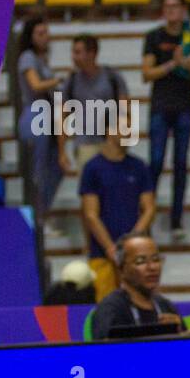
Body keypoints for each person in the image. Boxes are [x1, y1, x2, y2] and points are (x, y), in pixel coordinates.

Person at [141, 0, 190, 242]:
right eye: (167, 6)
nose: (171, 11)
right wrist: (172, 64)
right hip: (160, 106)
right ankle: (147, 216)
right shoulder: (153, 37)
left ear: (183, 10)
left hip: (185, 107)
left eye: (176, 6)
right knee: (155, 162)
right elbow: (146, 74)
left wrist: (187, 64)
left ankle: (176, 219)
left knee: (181, 164)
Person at [79, 127, 156, 302]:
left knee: (140, 304)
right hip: (102, 253)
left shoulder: (139, 166)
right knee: (105, 307)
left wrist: (131, 243)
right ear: (108, 130)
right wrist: (111, 249)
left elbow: (149, 208)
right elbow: (90, 214)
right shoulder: (93, 168)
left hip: (136, 257)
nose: (128, 132)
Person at [16, 14, 70, 235]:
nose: (46, 37)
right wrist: (58, 80)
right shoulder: (27, 57)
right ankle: (38, 218)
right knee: (38, 171)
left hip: (47, 115)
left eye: (47, 32)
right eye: (40, 33)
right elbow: (36, 85)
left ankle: (42, 212)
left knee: (55, 168)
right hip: (35, 114)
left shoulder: (41, 60)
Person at [89, 232, 183, 339]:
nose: (152, 267)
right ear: (121, 268)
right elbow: (103, 352)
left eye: (156, 259)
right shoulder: (109, 309)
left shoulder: (166, 306)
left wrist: (181, 336)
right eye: (140, 261)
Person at [62, 34, 131, 173]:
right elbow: (62, 116)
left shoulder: (112, 77)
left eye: (77, 52)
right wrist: (62, 151)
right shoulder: (72, 81)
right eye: (73, 52)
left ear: (92, 53)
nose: (73, 57)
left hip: (111, 143)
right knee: (88, 191)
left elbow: (125, 111)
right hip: (84, 143)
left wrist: (123, 141)